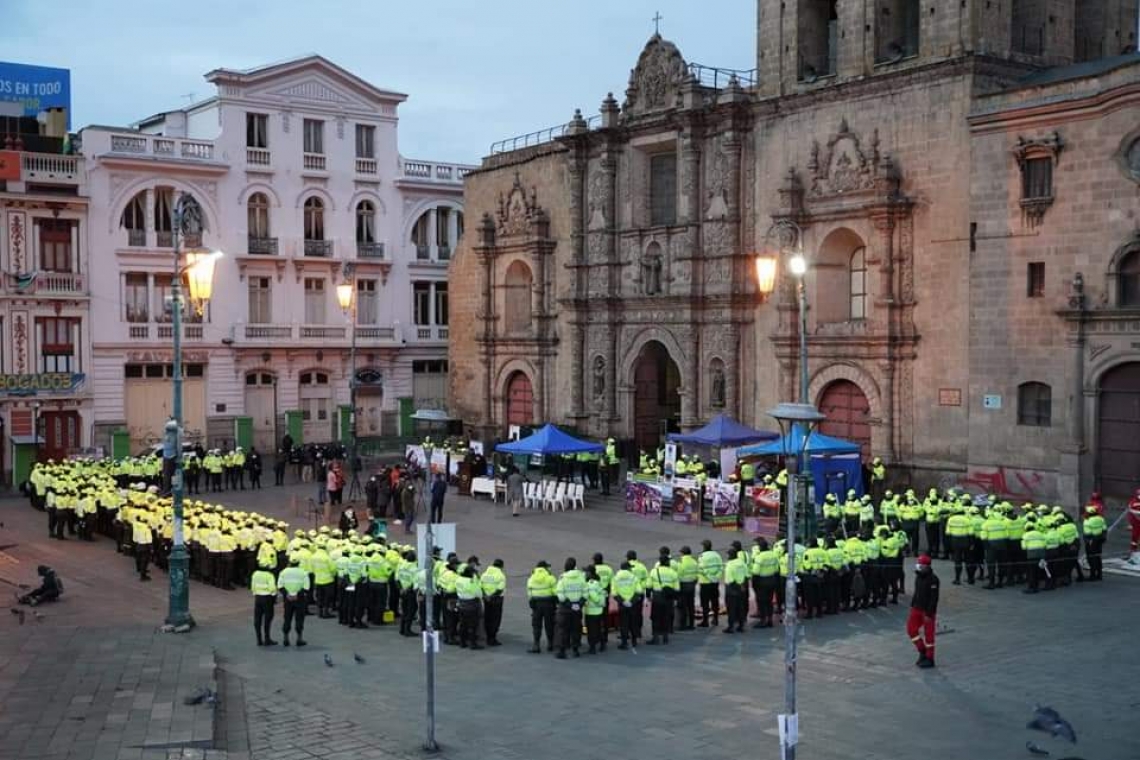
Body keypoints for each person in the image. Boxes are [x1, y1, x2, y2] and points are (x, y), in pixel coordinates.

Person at [906, 554, 939, 668]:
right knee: (911, 630)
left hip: (927, 612)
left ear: (927, 566)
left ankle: (930, 658)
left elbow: (934, 599)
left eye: (921, 565)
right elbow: (916, 592)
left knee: (929, 636)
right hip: (916, 608)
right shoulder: (918, 577)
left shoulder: (933, 580)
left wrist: (929, 614)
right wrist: (912, 605)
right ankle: (922, 650)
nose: (918, 567)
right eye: (918, 565)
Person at [554, 557, 587, 659]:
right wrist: (579, 604)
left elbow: (560, 595)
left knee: (562, 629)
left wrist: (570, 604)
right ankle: (575, 650)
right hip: (577, 608)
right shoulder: (581, 578)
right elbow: (585, 594)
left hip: (565, 609)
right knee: (576, 629)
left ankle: (562, 651)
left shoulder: (563, 579)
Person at [647, 547, 680, 645]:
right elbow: (677, 589)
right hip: (668, 598)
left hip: (657, 597)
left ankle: (655, 637)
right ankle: (666, 637)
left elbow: (648, 586)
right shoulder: (673, 573)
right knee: (666, 616)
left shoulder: (654, 571)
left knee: (655, 617)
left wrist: (648, 596)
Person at [278, 554, 310, 647]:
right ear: (298, 563)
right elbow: (306, 588)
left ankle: (285, 638)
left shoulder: (283, 572)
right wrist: (297, 594)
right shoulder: (303, 573)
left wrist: (287, 594)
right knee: (299, 619)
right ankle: (299, 639)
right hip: (299, 600)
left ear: (289, 562)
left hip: (288, 599)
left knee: (287, 618)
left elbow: (280, 586)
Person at [526, 560, 557, 654]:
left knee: (536, 625)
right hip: (549, 603)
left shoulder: (531, 578)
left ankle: (536, 645)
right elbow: (555, 592)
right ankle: (550, 644)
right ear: (545, 567)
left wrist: (531, 602)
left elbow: (529, 591)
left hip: (536, 604)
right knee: (549, 624)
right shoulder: (550, 578)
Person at [611, 560, 641, 649]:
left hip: (622, 604)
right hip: (633, 604)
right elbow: (639, 591)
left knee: (623, 624)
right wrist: (631, 601)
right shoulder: (633, 577)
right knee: (633, 622)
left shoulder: (616, 578)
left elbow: (614, 593)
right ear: (627, 568)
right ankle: (634, 641)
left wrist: (623, 601)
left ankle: (624, 642)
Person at [456, 565, 484, 649]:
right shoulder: (471, 581)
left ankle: (462, 642)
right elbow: (478, 593)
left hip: (461, 603)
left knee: (462, 624)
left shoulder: (459, 579)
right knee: (473, 625)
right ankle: (473, 643)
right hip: (471, 604)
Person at [251, 560, 278, 646]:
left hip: (258, 598)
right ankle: (267, 638)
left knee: (257, 619)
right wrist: (274, 597)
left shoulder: (255, 574)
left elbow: (253, 586)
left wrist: (256, 593)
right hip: (267, 598)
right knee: (268, 619)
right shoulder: (269, 575)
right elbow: (272, 588)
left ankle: (259, 639)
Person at [697, 539, 723, 628]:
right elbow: (720, 567)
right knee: (715, 601)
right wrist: (715, 578)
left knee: (705, 602)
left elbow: (701, 569)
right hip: (715, 583)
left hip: (705, 583)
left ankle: (705, 621)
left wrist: (710, 577)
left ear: (704, 547)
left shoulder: (702, 556)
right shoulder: (717, 555)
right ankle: (715, 619)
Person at [480, 559, 506, 646]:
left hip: (486, 599)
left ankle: (488, 637)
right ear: (501, 566)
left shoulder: (484, 574)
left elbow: (481, 586)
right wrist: (491, 597)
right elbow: (500, 589)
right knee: (495, 619)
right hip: (496, 600)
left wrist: (485, 596)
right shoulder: (501, 575)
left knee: (487, 618)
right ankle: (492, 638)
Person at [723, 547, 749, 634]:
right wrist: (742, 586)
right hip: (741, 589)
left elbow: (730, 580)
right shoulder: (741, 563)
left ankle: (731, 627)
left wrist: (737, 587)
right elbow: (746, 575)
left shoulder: (729, 565)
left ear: (730, 555)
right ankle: (741, 626)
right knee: (740, 608)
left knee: (731, 609)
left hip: (732, 590)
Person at [675, 545, 699, 631]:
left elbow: (678, 575)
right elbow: (697, 574)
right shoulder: (694, 562)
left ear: (682, 553)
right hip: (692, 585)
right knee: (691, 605)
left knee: (683, 606)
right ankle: (692, 624)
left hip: (683, 586)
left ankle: (683, 625)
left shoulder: (681, 563)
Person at [584, 566, 607, 654]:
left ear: (590, 573)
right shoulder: (598, 582)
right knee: (598, 628)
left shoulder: (590, 584)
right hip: (598, 611)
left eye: (586, 572)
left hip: (591, 611)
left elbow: (595, 598)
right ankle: (602, 644)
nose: (585, 574)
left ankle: (592, 647)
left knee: (591, 630)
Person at [1082, 506, 1106, 582]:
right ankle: (1099, 574)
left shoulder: (1087, 521)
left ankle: (1092, 575)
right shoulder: (1101, 519)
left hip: (1091, 542)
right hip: (1099, 540)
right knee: (1098, 557)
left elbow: (1087, 533)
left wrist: (1088, 541)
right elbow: (1104, 529)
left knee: (1091, 558)